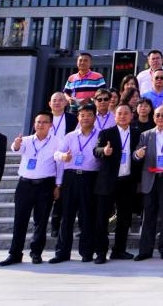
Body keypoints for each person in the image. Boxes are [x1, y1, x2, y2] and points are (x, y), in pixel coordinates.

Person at [0, 110, 60, 266]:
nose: (40, 125)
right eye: (38, 122)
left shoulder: (57, 142)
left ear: (51, 125)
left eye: (44, 122)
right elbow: (16, 149)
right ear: (34, 124)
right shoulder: (25, 140)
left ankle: (36, 253)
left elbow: (60, 165)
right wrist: (16, 144)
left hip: (45, 185)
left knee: (41, 222)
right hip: (25, 185)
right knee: (20, 220)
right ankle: (14, 254)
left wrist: (58, 185)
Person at [50, 104, 101, 264]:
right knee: (67, 216)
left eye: (89, 115)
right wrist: (63, 156)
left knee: (87, 216)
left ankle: (86, 252)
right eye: (82, 115)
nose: (85, 118)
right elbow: (56, 154)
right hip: (70, 177)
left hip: (89, 178)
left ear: (95, 117)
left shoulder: (101, 135)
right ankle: (62, 253)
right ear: (78, 117)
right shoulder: (70, 136)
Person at [93, 103, 141, 262]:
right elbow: (96, 150)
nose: (123, 116)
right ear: (115, 116)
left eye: (126, 113)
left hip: (127, 181)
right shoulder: (106, 133)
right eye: (119, 113)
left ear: (131, 116)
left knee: (124, 218)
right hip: (108, 181)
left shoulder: (136, 133)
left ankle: (119, 250)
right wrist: (104, 151)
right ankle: (101, 252)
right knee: (102, 218)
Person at [132, 105, 163, 260]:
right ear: (153, 117)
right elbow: (136, 155)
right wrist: (138, 155)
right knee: (148, 217)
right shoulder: (146, 135)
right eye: (157, 115)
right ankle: (145, 250)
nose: (160, 118)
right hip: (150, 179)